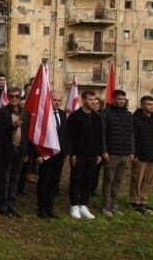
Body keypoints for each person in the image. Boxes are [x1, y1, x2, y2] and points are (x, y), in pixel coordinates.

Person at [65, 90, 104, 219]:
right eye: (90, 100)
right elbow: (69, 136)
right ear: (83, 100)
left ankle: (83, 204)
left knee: (89, 178)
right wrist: (71, 154)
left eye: (94, 100)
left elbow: (100, 136)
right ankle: (74, 205)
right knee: (77, 178)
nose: (93, 102)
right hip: (78, 154)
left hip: (93, 155)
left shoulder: (97, 117)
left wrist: (99, 153)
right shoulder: (75, 116)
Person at [30, 92, 68, 219]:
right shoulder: (43, 115)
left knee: (54, 182)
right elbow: (36, 137)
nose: (56, 102)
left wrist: (65, 152)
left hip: (59, 154)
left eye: (59, 100)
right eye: (54, 100)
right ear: (49, 100)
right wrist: (38, 155)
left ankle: (49, 208)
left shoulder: (62, 115)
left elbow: (64, 135)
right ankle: (41, 208)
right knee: (44, 181)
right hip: (45, 154)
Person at [100, 89, 133, 216]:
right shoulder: (106, 113)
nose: (121, 101)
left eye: (123, 99)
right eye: (119, 99)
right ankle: (106, 205)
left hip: (124, 153)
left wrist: (131, 151)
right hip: (111, 153)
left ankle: (114, 204)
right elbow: (102, 133)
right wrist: (104, 150)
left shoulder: (129, 115)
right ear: (113, 99)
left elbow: (131, 134)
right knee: (109, 179)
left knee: (118, 180)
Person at [130, 95, 153, 215]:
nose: (152, 106)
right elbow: (133, 137)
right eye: (149, 104)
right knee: (137, 179)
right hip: (141, 155)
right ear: (142, 105)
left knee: (149, 180)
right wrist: (134, 154)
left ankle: (143, 200)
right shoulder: (135, 118)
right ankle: (135, 201)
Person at [0, 88, 24, 217]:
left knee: (15, 178)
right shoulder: (1, 112)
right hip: (7, 150)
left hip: (20, 150)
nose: (14, 98)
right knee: (5, 178)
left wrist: (26, 151)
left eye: (17, 96)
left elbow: (28, 133)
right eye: (11, 96)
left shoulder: (24, 113)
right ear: (7, 97)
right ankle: (3, 204)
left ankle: (12, 204)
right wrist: (12, 126)